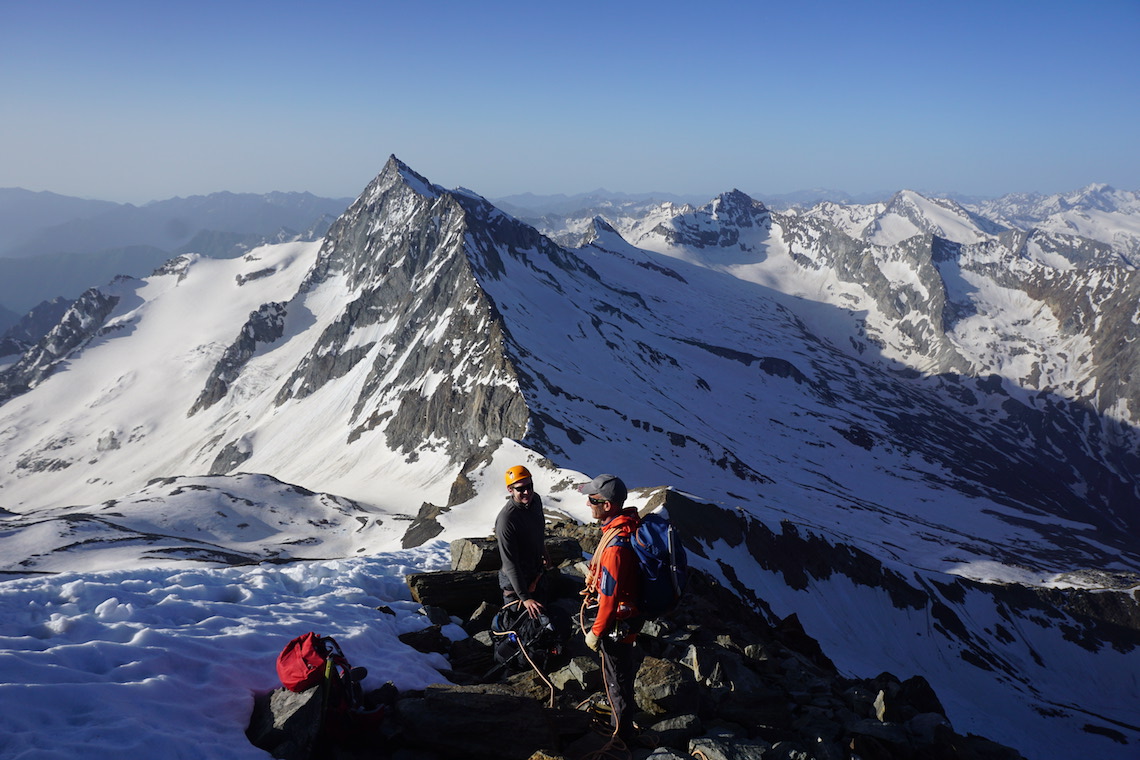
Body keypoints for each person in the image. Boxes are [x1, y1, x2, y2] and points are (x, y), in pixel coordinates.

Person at [580, 473, 641, 743]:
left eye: (592, 499)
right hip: (629, 616)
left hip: (619, 621)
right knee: (621, 671)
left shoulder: (616, 548)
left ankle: (622, 735)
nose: (587, 504)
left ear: (607, 505)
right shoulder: (624, 528)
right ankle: (622, 720)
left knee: (616, 675)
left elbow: (609, 597)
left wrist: (596, 632)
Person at [495, 465, 551, 619]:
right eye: (521, 489)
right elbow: (510, 563)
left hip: (535, 573)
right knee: (521, 625)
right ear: (510, 490)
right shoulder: (506, 520)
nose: (527, 492)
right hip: (516, 583)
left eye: (530, 486)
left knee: (543, 623)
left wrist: (543, 551)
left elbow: (538, 530)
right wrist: (525, 598)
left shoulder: (535, 501)